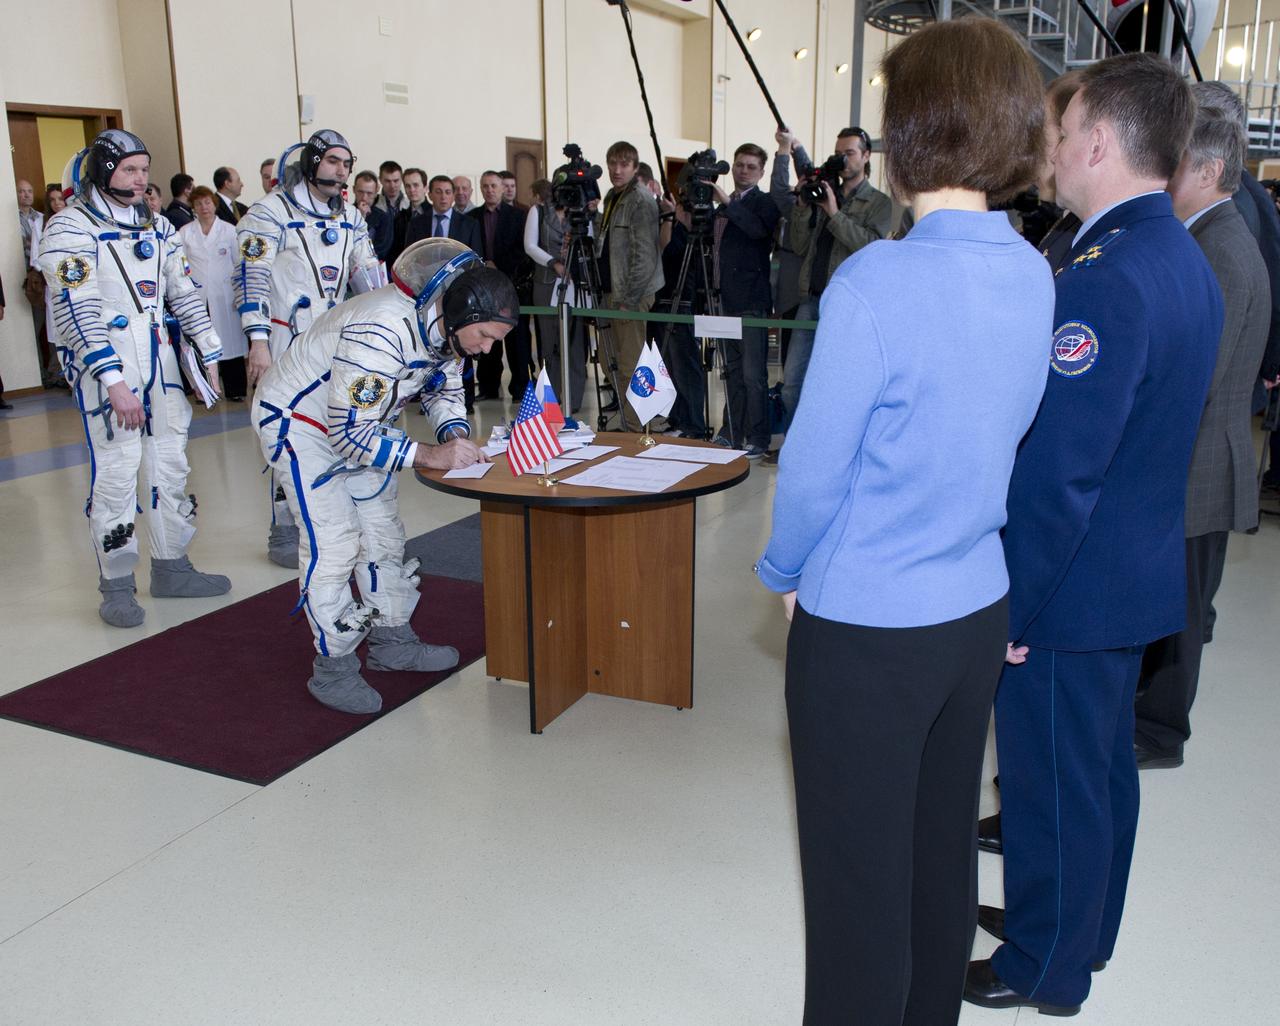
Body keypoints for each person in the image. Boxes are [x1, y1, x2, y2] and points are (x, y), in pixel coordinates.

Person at [755, 20, 1054, 1025]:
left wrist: (782, 573)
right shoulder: (1029, 269)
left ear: (910, 128)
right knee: (933, 859)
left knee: (854, 888)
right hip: (971, 605)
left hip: (868, 626)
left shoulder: (877, 280)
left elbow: (809, 469)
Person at [964, 54, 1223, 1017]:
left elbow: (1060, 472)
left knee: (1052, 783)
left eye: (1061, 133)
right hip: (1134, 570)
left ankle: (1044, 964)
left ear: (1101, 144)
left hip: (1072, 587)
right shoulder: (1177, 256)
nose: (1052, 150)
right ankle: (1085, 927)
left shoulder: (1104, 279)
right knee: (1102, 774)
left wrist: (1012, 604)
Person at [252, 238, 516, 714]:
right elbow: (347, 435)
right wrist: (432, 454)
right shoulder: (381, 329)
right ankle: (333, 668)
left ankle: (392, 642)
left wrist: (454, 433)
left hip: (360, 422)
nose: (486, 349)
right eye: (486, 337)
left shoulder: (445, 326)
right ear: (459, 313)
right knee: (335, 543)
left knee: (383, 536)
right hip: (299, 424)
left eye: (496, 341)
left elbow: (443, 386)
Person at [38, 130, 231, 627]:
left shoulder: (159, 228)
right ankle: (117, 585)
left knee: (170, 465)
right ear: (102, 171)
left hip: (159, 364)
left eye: (144, 169)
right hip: (109, 370)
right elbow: (75, 311)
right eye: (128, 169)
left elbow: (182, 293)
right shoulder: (69, 229)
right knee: (119, 473)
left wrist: (208, 351)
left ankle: (172, 566)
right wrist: (112, 380)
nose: (140, 178)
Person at [1130, 106, 1271, 769]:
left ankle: (1159, 734)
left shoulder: (1218, 248)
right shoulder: (1212, 236)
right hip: (1200, 457)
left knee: (1181, 612)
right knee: (1174, 603)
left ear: (1211, 171)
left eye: (1179, 163)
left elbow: (1199, 375)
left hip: (1200, 463)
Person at [234, 129, 380, 568]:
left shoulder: (350, 217)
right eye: (334, 161)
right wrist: (257, 342)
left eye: (347, 164)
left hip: (336, 341)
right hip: (285, 338)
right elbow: (251, 280)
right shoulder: (270, 212)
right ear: (313, 162)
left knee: (335, 425)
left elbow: (367, 274)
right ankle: (284, 527)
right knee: (284, 428)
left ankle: (329, 515)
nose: (342, 171)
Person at [780, 127, 891, 429]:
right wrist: (803, 208)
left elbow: (872, 247)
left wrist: (834, 213)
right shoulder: (825, 191)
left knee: (835, 383)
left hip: (848, 305)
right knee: (792, 383)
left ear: (866, 156)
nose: (842, 159)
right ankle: (796, 446)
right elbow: (800, 245)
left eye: (850, 153)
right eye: (838, 152)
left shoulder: (879, 203)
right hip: (812, 298)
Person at [598, 140, 663, 431]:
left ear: (635, 168)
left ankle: (637, 425)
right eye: (612, 163)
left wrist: (629, 300)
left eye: (623, 164)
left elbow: (645, 256)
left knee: (631, 364)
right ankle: (630, 416)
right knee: (607, 359)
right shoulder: (613, 196)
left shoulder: (640, 200)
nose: (616, 169)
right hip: (611, 290)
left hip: (631, 295)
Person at [525, 176, 591, 414]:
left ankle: (574, 398)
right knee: (549, 343)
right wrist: (553, 262)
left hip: (575, 283)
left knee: (574, 343)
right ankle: (550, 398)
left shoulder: (581, 212)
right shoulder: (538, 211)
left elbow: (590, 242)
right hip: (546, 282)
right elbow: (530, 246)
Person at [470, 170, 532, 401]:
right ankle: (488, 386)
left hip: (511, 284)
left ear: (501, 188)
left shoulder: (517, 216)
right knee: (487, 338)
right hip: (483, 286)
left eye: (494, 186)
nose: (490, 190)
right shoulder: (472, 216)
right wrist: (484, 264)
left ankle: (520, 388)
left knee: (517, 340)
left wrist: (498, 264)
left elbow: (522, 250)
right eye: (485, 186)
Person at [180, 186, 246, 400]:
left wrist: (240, 295)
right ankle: (205, 390)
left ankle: (235, 390)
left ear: (214, 204)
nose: (204, 207)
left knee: (230, 342)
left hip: (225, 294)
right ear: (193, 207)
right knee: (200, 342)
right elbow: (180, 264)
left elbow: (239, 264)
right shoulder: (185, 232)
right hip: (198, 297)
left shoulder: (229, 230)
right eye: (198, 204)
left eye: (207, 202)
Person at [404, 175, 481, 251]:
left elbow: (476, 258)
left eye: (448, 192)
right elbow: (409, 255)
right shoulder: (416, 223)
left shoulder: (470, 225)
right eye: (438, 192)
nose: (443, 197)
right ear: (430, 195)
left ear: (453, 196)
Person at [387, 167, 430, 267]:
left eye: (416, 185)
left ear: (425, 188)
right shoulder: (399, 218)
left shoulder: (435, 215)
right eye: (407, 186)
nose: (412, 190)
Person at [353, 169, 393, 262]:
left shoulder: (383, 217)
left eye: (369, 193)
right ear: (353, 189)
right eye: (360, 192)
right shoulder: (345, 213)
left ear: (376, 193)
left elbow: (383, 249)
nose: (364, 197)